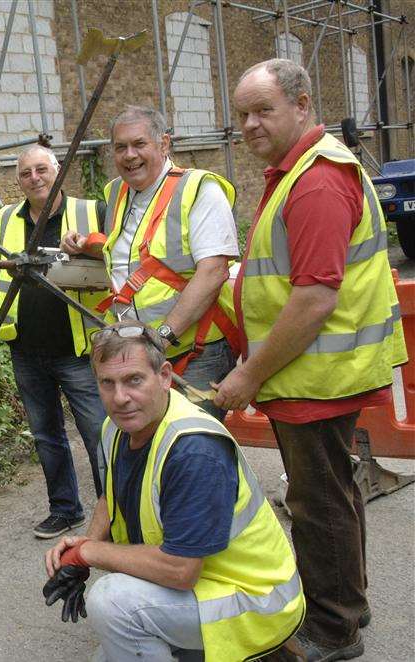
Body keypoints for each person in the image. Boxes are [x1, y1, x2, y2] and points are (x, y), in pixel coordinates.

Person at [215, 58, 408, 660]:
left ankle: (331, 628)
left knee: (316, 500)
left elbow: (314, 298)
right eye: (242, 113)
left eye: (262, 110)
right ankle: (348, 601)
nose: (249, 124)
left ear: (302, 105)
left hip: (316, 376)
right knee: (332, 491)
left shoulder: (317, 180)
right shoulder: (302, 171)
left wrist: (247, 373)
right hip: (317, 371)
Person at [43, 321, 304, 661]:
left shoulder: (193, 450)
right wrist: (84, 546)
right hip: (206, 585)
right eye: (108, 383)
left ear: (165, 376)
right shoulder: (116, 427)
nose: (120, 398)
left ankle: (267, 652)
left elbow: (179, 571)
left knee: (111, 603)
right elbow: (113, 495)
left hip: (255, 601)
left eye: (134, 380)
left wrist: (88, 553)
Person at [62, 105, 239, 421]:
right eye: (120, 147)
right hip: (143, 354)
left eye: (139, 144)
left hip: (196, 352)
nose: (129, 155)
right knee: (151, 442)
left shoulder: (198, 189)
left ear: (164, 144)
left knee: (191, 444)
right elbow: (134, 257)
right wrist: (86, 247)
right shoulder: (118, 191)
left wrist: (163, 336)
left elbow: (212, 272)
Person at [0, 144, 108, 539]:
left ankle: (112, 514)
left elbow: (117, 254)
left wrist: (88, 246)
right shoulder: (5, 218)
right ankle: (65, 510)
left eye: (41, 169)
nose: (34, 177)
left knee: (99, 434)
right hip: (26, 349)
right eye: (26, 172)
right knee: (47, 436)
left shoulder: (88, 211)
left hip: (79, 350)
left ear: (57, 170)